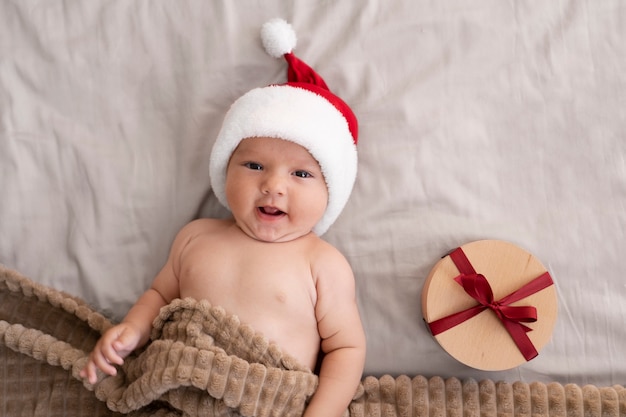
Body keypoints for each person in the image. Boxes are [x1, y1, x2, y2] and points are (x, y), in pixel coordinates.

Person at [81, 18, 366, 417]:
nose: (273, 186)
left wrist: (322, 412)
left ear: (330, 192)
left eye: (301, 174)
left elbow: (346, 348)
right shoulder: (197, 236)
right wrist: (131, 330)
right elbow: (160, 295)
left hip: (267, 400)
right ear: (224, 171)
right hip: (176, 387)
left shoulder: (323, 264)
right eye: (253, 165)